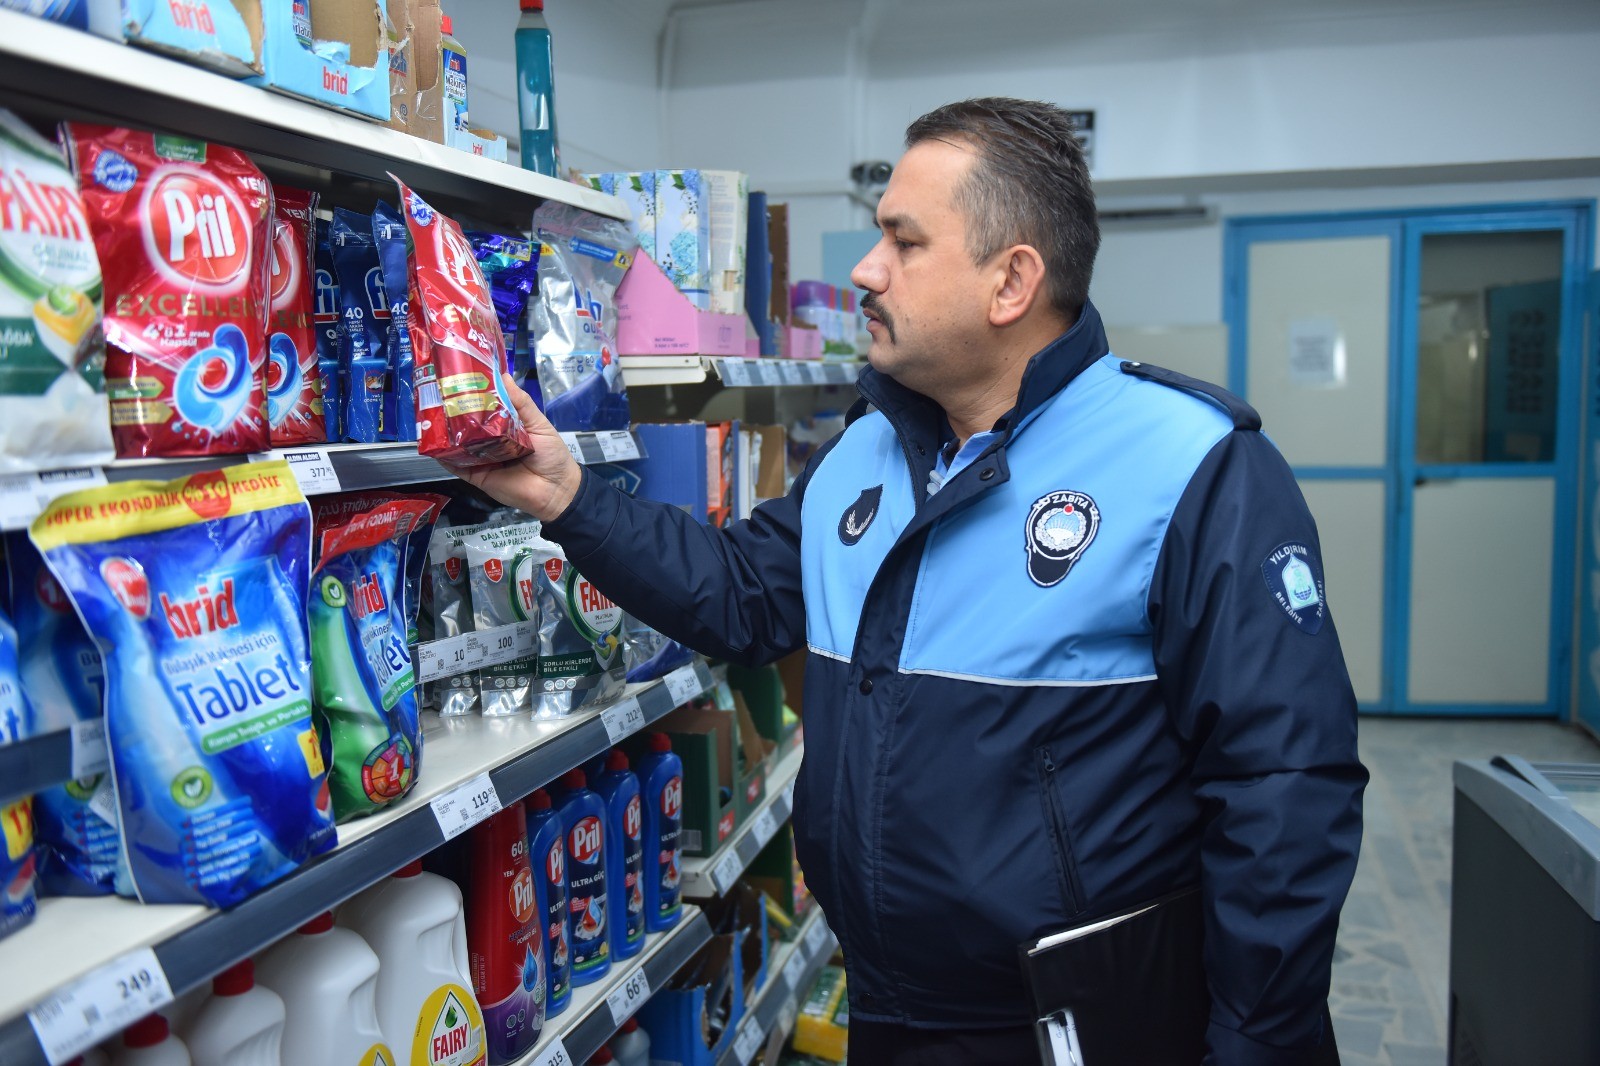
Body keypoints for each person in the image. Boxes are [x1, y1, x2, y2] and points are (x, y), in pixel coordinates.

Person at [453, 97, 1366, 1065]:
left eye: (903, 240)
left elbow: (1285, 792)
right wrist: (570, 496)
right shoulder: (865, 458)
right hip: (890, 1016)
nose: (864, 267)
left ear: (1011, 280)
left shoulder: (1193, 468)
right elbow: (737, 592)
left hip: (1080, 1029)